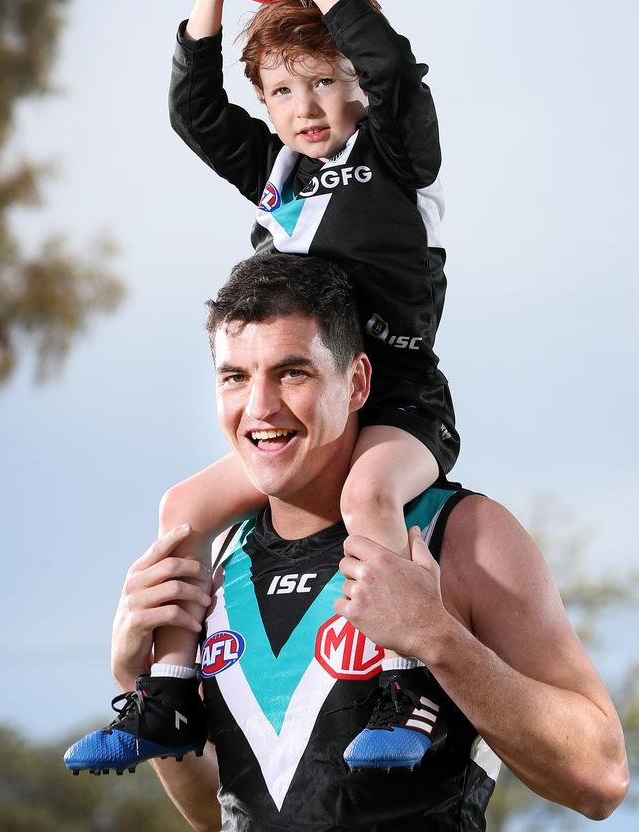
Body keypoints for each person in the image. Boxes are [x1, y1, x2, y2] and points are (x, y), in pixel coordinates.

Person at [65, 0, 461, 773]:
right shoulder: (278, 176)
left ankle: (404, 691)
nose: (305, 106)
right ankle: (169, 697)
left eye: (325, 81)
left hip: (396, 401)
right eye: (282, 91)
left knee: (367, 501)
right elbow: (195, 114)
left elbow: (398, 75)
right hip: (304, 404)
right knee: (181, 510)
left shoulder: (398, 161)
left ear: (355, 81)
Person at [72, 253, 628, 830]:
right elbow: (230, 811)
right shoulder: (217, 558)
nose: (260, 408)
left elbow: (601, 778)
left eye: (293, 372)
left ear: (357, 381)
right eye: (235, 376)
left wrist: (437, 639)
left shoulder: (460, 534)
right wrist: (140, 677)